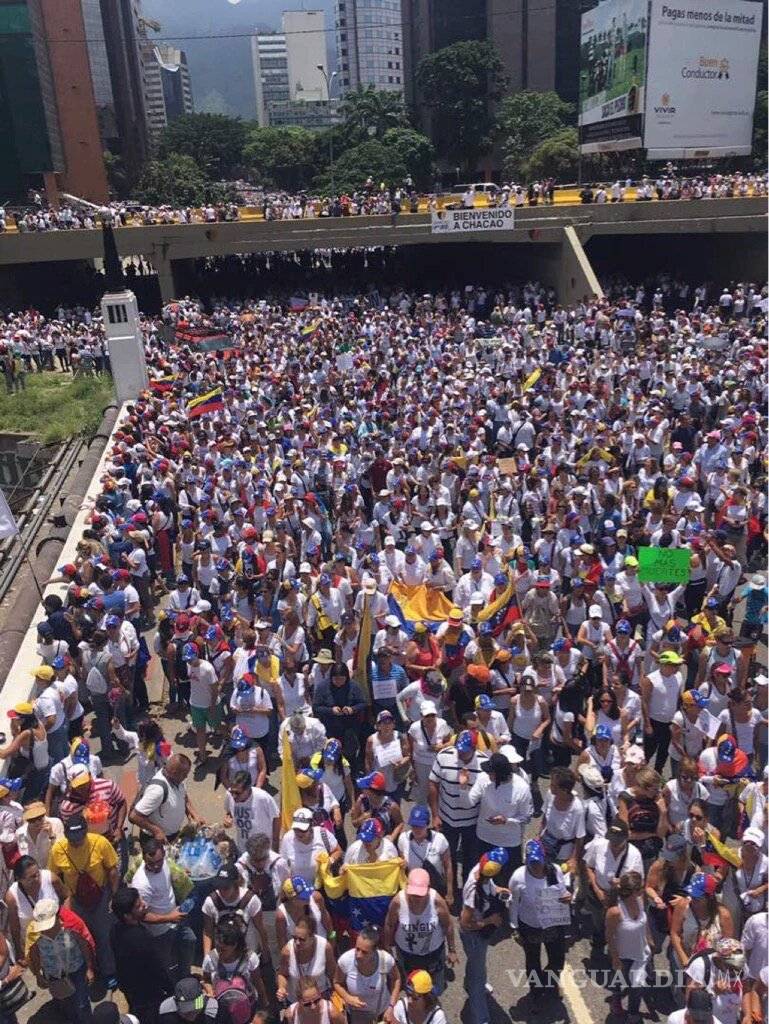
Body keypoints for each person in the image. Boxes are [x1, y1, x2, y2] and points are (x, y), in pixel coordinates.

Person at [48, 812, 119, 987]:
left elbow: (112, 870)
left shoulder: (100, 843)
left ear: (86, 831)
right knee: (81, 937)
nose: (76, 842)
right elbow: (53, 877)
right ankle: (89, 970)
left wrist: (114, 896)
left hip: (100, 897)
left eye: (79, 838)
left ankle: (109, 971)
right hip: (75, 900)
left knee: (103, 935)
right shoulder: (57, 850)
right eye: (72, 839)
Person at [128, 837, 196, 984]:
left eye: (159, 861)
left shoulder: (164, 862)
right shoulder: (141, 885)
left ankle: (185, 977)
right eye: (150, 863)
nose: (155, 866)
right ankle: (171, 987)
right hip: (159, 931)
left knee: (189, 941)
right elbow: (141, 916)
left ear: (163, 854)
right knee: (165, 965)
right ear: (144, 859)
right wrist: (169, 918)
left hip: (176, 917)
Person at [509, 839, 571, 994]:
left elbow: (563, 892)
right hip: (530, 926)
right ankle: (536, 993)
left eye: (538, 862)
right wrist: (514, 927)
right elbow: (513, 903)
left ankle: (550, 984)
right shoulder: (518, 877)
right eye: (532, 863)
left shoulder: (555, 870)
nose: (535, 866)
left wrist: (567, 897)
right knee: (533, 961)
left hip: (553, 924)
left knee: (557, 960)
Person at [428, 730, 487, 891]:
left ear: (474, 749)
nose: (460, 754)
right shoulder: (444, 756)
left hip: (472, 821)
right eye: (459, 749)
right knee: (448, 856)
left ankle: (469, 889)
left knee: (470, 858)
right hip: (447, 818)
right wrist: (435, 815)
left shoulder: (484, 763)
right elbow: (433, 784)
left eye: (465, 751)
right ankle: (451, 889)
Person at [383, 867, 456, 996]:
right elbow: (389, 924)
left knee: (435, 987)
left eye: (420, 894)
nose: (416, 898)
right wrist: (387, 947)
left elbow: (448, 925)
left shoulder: (437, 901)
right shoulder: (398, 902)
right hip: (407, 954)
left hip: (433, 953)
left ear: (428, 888)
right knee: (412, 988)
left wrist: (452, 950)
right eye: (413, 894)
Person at [464, 747, 532, 882]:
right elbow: (470, 802)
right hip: (483, 837)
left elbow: (527, 817)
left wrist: (507, 820)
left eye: (491, 772)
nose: (487, 774)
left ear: (500, 774)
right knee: (482, 878)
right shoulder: (483, 779)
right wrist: (463, 787)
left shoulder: (522, 788)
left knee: (506, 880)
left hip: (508, 842)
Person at [458, 847, 509, 1024]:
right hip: (473, 935)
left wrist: (499, 891)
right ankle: (481, 1018)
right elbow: (465, 923)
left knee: (476, 963)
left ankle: (470, 983)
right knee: (477, 977)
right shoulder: (473, 892)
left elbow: (490, 886)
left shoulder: (482, 872)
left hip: (480, 934)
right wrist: (490, 921)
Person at [25, 899, 96, 1024]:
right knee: (64, 1002)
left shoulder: (72, 927)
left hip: (77, 971)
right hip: (54, 975)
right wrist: (38, 976)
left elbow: (84, 945)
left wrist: (89, 968)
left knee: (82, 1004)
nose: (46, 929)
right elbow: (34, 955)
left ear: (57, 917)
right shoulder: (34, 934)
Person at [110, 886, 174, 1024]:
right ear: (127, 915)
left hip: (129, 988)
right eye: (138, 906)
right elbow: (158, 968)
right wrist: (171, 989)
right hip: (148, 993)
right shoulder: (142, 939)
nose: (145, 905)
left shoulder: (115, 930)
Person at [583, 819, 644, 950]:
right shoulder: (598, 846)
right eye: (612, 840)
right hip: (599, 894)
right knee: (598, 922)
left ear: (626, 838)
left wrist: (622, 884)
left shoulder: (634, 855)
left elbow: (638, 881)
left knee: (618, 926)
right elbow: (589, 867)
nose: (614, 844)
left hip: (621, 899)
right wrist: (597, 890)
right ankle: (599, 940)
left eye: (618, 841)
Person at [605, 870, 651, 1023]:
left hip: (641, 953)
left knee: (637, 987)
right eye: (641, 887)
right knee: (619, 980)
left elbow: (645, 922)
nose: (644, 890)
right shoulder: (615, 912)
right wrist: (615, 958)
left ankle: (633, 1014)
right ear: (633, 891)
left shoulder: (640, 901)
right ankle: (616, 999)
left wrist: (649, 939)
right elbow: (609, 936)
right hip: (623, 955)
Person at [201, 864, 270, 963]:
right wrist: (207, 957)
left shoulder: (251, 900)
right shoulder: (211, 902)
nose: (222, 891)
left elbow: (261, 929)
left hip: (247, 956)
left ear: (236, 884)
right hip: (222, 956)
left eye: (226, 888)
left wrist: (266, 953)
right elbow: (208, 931)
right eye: (219, 887)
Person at [333, 923, 400, 1024]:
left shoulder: (386, 960)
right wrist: (347, 997)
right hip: (356, 1015)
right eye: (357, 949)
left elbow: (396, 979)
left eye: (364, 952)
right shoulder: (345, 960)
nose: (358, 955)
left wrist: (391, 1006)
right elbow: (337, 982)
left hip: (382, 1013)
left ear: (375, 951)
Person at [201, 916, 268, 1015]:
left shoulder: (249, 958)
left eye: (224, 949)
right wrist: (210, 991)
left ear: (235, 945)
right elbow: (206, 980)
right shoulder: (210, 959)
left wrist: (264, 1003)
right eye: (218, 948)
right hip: (221, 1005)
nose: (219, 952)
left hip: (247, 1004)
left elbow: (257, 981)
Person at [129, 754, 202, 842]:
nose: (186, 777)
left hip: (173, 833)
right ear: (175, 773)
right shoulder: (157, 791)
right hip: (155, 839)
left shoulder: (178, 780)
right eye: (185, 774)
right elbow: (134, 816)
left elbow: (184, 796)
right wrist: (156, 831)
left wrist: (194, 814)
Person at [6, 854, 67, 958]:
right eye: (32, 877)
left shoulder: (51, 879)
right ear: (19, 879)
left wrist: (67, 922)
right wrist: (19, 951)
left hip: (59, 937)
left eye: (38, 873)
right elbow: (15, 927)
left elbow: (66, 898)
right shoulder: (12, 897)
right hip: (34, 948)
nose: (37, 878)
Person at [277, 914, 337, 1008]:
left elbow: (332, 973)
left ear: (312, 937)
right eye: (294, 938)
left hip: (319, 998)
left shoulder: (325, 947)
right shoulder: (287, 951)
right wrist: (282, 988)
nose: (297, 942)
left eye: (302, 939)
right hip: (296, 1000)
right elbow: (282, 974)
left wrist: (336, 995)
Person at [684, 937, 746, 1024]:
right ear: (719, 959)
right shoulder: (700, 966)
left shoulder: (740, 966)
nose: (734, 970)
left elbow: (747, 989)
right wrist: (714, 992)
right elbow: (690, 1000)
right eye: (731, 965)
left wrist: (747, 1015)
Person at [397, 805, 452, 902]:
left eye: (420, 826)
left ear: (427, 824)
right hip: (413, 888)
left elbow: (448, 866)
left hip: (434, 887)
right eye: (414, 826)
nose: (417, 829)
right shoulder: (403, 839)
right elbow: (402, 865)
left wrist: (450, 892)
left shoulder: (440, 839)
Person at [280, 807, 342, 886]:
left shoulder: (323, 834)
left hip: (323, 886)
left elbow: (338, 851)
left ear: (311, 826)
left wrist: (329, 861)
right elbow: (284, 865)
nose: (299, 833)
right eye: (296, 829)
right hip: (298, 888)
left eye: (303, 830)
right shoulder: (287, 838)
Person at [223, 770, 279, 853]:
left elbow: (276, 817)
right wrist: (227, 820)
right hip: (243, 849)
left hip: (263, 850)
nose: (234, 796)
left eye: (238, 793)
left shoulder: (263, 798)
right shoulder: (229, 795)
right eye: (232, 792)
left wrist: (275, 843)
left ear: (248, 789)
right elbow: (229, 812)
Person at [275, 875, 334, 949]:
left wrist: (332, 943)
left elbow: (329, 925)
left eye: (308, 893)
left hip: (323, 948)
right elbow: (282, 943)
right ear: (292, 899)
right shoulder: (281, 916)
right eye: (304, 897)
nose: (308, 897)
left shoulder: (317, 898)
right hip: (300, 953)